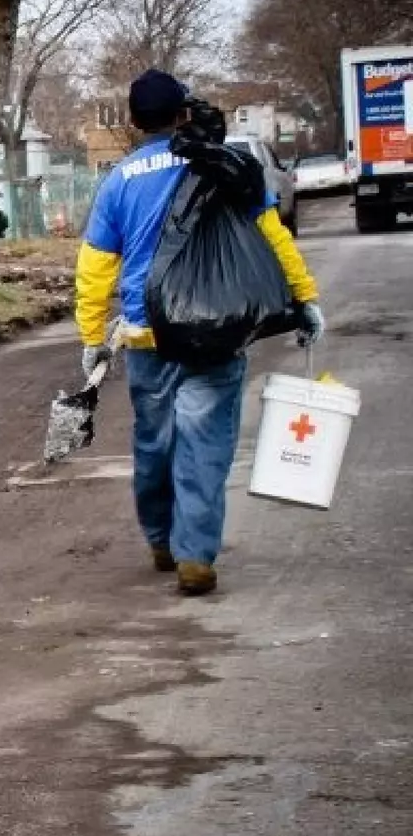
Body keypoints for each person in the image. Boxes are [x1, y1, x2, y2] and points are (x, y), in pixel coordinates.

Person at [75, 69, 324, 596]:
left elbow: (95, 266)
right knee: (204, 443)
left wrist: (93, 335)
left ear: (134, 120)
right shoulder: (222, 165)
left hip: (148, 336)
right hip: (216, 331)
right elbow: (273, 235)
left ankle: (162, 541)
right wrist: (303, 298)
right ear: (184, 114)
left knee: (155, 441)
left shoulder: (118, 180)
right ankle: (194, 554)